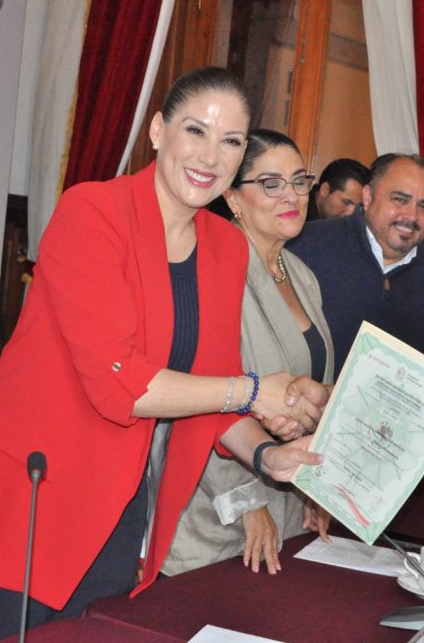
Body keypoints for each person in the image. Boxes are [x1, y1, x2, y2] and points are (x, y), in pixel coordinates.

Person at [0, 67, 326, 643]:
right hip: (27, 495)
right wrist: (255, 391)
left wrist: (268, 456)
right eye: (196, 130)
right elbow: (125, 385)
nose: (210, 156)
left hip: (114, 506)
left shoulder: (224, 246)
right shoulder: (92, 213)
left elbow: (209, 389)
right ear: (158, 131)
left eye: (231, 141)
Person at [163, 129, 333, 577]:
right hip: (218, 511)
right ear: (234, 198)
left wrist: (315, 483)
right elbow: (194, 397)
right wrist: (244, 500)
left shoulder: (301, 274)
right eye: (271, 183)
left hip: (287, 499)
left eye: (299, 181)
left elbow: (311, 386)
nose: (291, 195)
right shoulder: (209, 269)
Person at [290, 153, 424, 519]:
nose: (411, 216)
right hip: (289, 461)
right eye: (400, 199)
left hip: (382, 487)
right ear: (367, 197)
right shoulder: (305, 248)